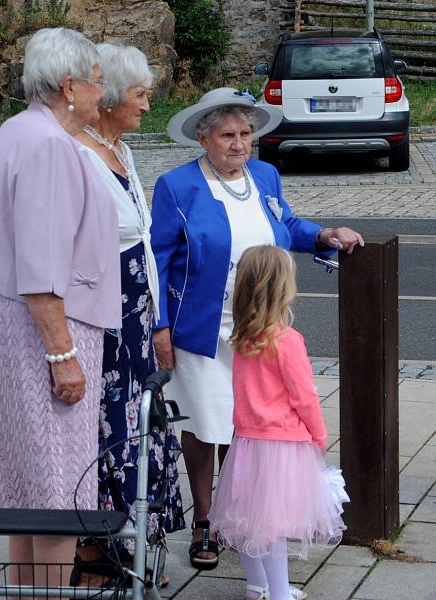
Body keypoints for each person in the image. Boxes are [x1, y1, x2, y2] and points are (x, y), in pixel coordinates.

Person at [150, 87, 363, 574]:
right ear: (203, 138)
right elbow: (157, 260)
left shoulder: (264, 175)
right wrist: (160, 326)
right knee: (204, 424)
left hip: (259, 330)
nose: (239, 144)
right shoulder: (176, 186)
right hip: (202, 330)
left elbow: (284, 222)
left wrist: (325, 235)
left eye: (246, 134)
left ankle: (239, 519)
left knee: (247, 428)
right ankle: (204, 519)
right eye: (227, 135)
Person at [0, 27, 120, 600]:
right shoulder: (49, 144)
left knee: (26, 486)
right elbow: (41, 266)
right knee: (54, 490)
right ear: (71, 85)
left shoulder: (16, 130)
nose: (102, 95)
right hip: (45, 331)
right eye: (98, 83)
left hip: (10, 324)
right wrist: (63, 357)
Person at [73, 42, 184, 581]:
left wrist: (158, 320)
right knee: (110, 427)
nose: (146, 105)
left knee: (138, 422)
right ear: (112, 97)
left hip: (137, 318)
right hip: (107, 317)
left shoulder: (121, 151)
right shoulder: (82, 154)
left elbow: (141, 240)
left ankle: (130, 544)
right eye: (139, 95)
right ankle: (102, 550)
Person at [209, 244, 346, 600]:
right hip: (283, 445)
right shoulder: (287, 342)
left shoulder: (242, 339)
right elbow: (305, 397)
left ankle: (258, 587)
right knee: (272, 525)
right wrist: (319, 435)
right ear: (283, 289)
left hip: (248, 442)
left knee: (249, 519)